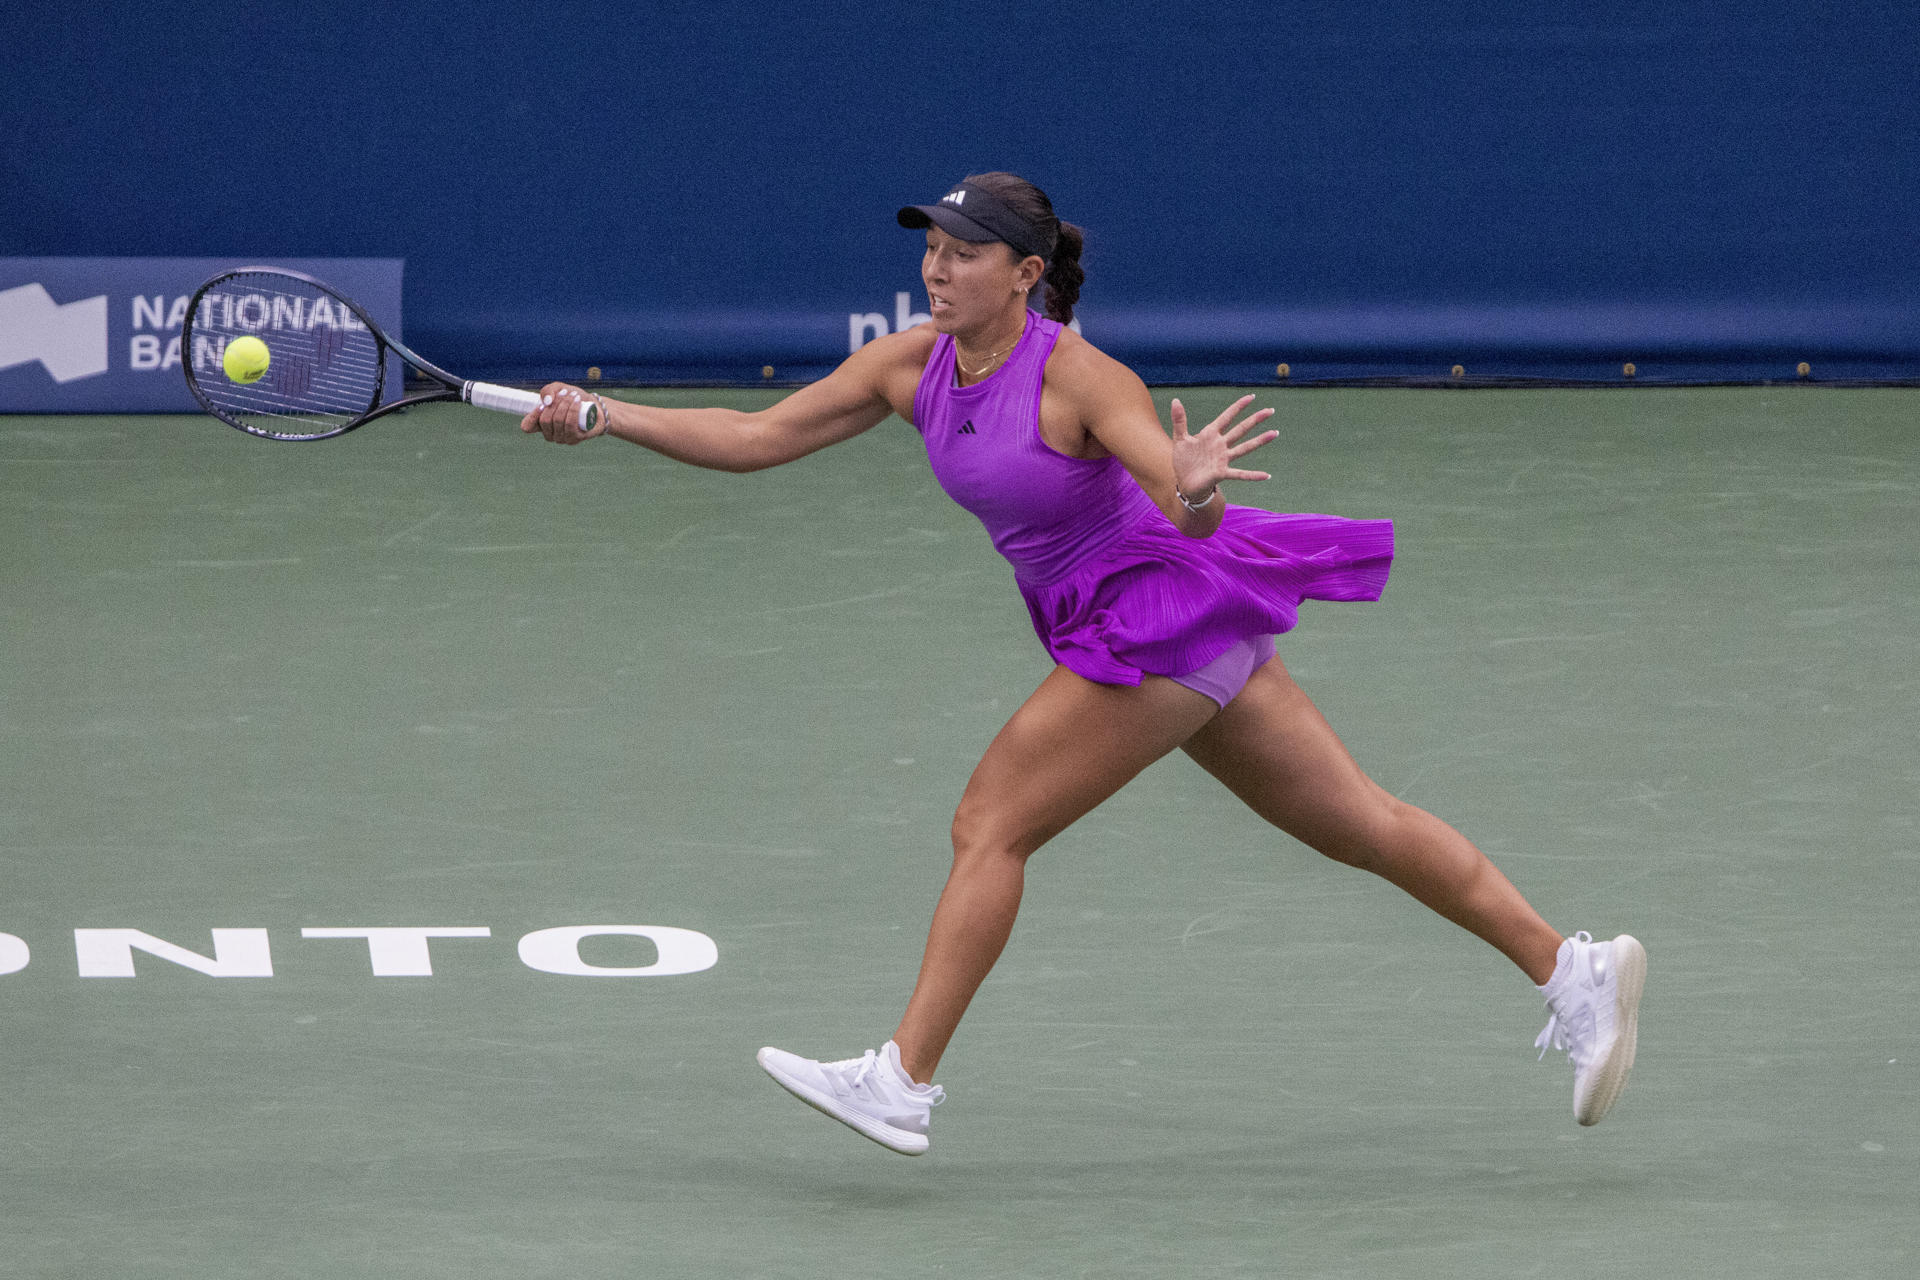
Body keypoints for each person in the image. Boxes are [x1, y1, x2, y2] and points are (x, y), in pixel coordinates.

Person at [520, 172, 1647, 1156]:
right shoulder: (909, 366)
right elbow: (760, 437)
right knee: (1360, 820)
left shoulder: (1076, 377)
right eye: (930, 249)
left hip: (1152, 613)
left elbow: (1184, 503)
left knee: (990, 822)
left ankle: (902, 1080)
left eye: (964, 255)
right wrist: (608, 414)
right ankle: (1572, 970)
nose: (938, 270)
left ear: (1023, 274)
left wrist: (1197, 482)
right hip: (1146, 621)